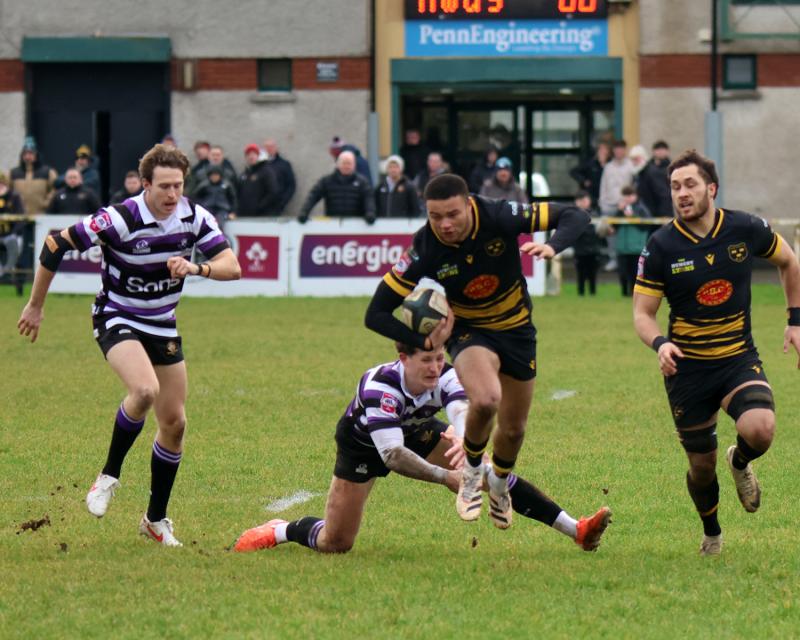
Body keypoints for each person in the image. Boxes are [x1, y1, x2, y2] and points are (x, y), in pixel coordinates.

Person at [17, 143, 242, 547]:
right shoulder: (119, 219)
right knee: (143, 390)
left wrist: (196, 267)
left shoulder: (194, 217)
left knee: (175, 424)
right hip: (117, 316)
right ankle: (107, 476)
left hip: (162, 324)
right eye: (165, 187)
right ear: (145, 184)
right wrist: (35, 306)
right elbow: (55, 245)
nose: (173, 195)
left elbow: (233, 266)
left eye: (179, 186)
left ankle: (155, 521)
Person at [364, 174, 602, 532]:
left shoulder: (499, 215)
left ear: (469, 205)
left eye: (453, 214)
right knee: (487, 399)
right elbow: (376, 313)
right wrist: (427, 343)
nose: (444, 224)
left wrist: (553, 246)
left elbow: (575, 216)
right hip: (469, 332)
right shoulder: (424, 248)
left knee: (514, 428)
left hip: (518, 330)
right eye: (435, 216)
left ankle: (500, 483)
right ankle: (474, 471)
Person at [233, 343, 610, 554]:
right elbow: (392, 455)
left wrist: (465, 437)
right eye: (425, 360)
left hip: (417, 431)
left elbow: (462, 405)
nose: (434, 368)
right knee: (336, 542)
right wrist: (447, 476)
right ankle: (280, 530)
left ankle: (577, 530)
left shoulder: (445, 372)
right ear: (403, 359)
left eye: (438, 358)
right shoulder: (380, 388)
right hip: (365, 445)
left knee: (491, 475)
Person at [633, 149, 800, 556]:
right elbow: (642, 313)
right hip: (687, 369)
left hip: (736, 357)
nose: (681, 194)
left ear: (712, 188)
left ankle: (740, 461)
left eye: (690, 185)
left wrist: (795, 319)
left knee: (760, 428)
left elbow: (789, 261)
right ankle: (712, 533)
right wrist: (660, 342)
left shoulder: (743, 228)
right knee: (700, 466)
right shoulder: (661, 246)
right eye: (675, 187)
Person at [298, 150, 375, 224]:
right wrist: (304, 212)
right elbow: (313, 196)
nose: (347, 166)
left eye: (349, 163)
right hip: (332, 224)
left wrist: (370, 212)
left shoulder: (362, 182)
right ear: (338, 164)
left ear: (354, 165)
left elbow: (368, 199)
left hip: (356, 224)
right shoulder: (327, 181)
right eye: (344, 163)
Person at [611, 185, 651, 297]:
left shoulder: (641, 208)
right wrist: (619, 211)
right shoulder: (620, 209)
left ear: (635, 196)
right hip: (622, 247)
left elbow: (646, 225)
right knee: (623, 272)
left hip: (636, 248)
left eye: (630, 195)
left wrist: (632, 216)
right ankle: (624, 293)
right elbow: (613, 226)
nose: (627, 198)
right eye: (625, 196)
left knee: (635, 273)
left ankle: (634, 294)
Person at [10, 137, 57, 215]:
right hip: (18, 215)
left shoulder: (48, 172)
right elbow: (7, 190)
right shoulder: (13, 173)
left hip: (41, 214)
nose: (27, 157)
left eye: (31, 153)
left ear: (36, 155)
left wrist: (46, 203)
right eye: (25, 154)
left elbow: (55, 189)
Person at [571, 190, 603, 297]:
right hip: (580, 250)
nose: (583, 203)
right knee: (580, 274)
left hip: (593, 249)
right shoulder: (572, 215)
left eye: (585, 200)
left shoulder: (595, 214)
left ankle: (593, 293)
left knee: (592, 273)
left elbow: (599, 232)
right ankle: (581, 293)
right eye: (580, 200)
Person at [237, 143, 280, 216]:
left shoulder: (266, 171)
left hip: (261, 215)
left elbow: (273, 192)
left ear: (258, 156)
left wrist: (260, 206)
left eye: (253, 154)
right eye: (248, 155)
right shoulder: (244, 174)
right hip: (244, 215)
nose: (251, 157)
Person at [194, 164, 238, 231]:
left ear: (220, 175)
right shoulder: (204, 185)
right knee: (205, 224)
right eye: (212, 175)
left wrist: (233, 212)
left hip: (222, 209)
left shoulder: (227, 185)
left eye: (216, 175)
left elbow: (233, 199)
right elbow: (196, 198)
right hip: (207, 208)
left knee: (219, 225)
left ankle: (219, 239)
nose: (214, 177)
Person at [0, 171, 25, 282]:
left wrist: (14, 232)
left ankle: (7, 273)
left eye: (2, 183)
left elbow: (20, 217)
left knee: (13, 246)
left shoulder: (14, 196)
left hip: (11, 233)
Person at [638, 140, 673, 217]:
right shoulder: (646, 168)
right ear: (653, 151)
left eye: (662, 149)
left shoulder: (672, 168)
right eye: (658, 149)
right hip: (648, 207)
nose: (660, 152)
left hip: (666, 208)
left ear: (667, 151)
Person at [569, 141, 610, 207]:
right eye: (601, 149)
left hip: (606, 195)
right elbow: (573, 171)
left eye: (605, 150)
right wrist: (584, 181)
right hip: (592, 195)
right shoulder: (591, 163)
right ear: (598, 151)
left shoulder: (610, 164)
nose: (603, 152)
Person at [263, 139, 296, 215]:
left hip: (276, 208)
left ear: (276, 148)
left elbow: (291, 186)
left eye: (271, 146)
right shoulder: (260, 165)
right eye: (267, 147)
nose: (269, 149)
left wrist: (281, 204)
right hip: (259, 209)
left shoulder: (284, 164)